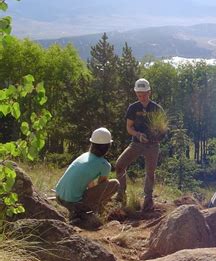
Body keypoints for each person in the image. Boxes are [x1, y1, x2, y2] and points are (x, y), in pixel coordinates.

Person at [115, 78, 164, 212]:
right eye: (139, 94)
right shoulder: (133, 108)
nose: (141, 96)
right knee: (119, 165)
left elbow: (164, 130)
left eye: (144, 93)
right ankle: (121, 196)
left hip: (152, 146)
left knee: (150, 172)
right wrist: (138, 135)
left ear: (149, 92)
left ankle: (148, 200)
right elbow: (129, 127)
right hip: (136, 143)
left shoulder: (156, 108)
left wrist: (157, 136)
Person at [55, 127, 119, 225]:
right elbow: (102, 186)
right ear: (108, 146)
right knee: (115, 183)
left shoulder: (84, 156)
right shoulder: (104, 165)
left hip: (58, 197)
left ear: (92, 144)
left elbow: (90, 182)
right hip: (72, 204)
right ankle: (90, 212)